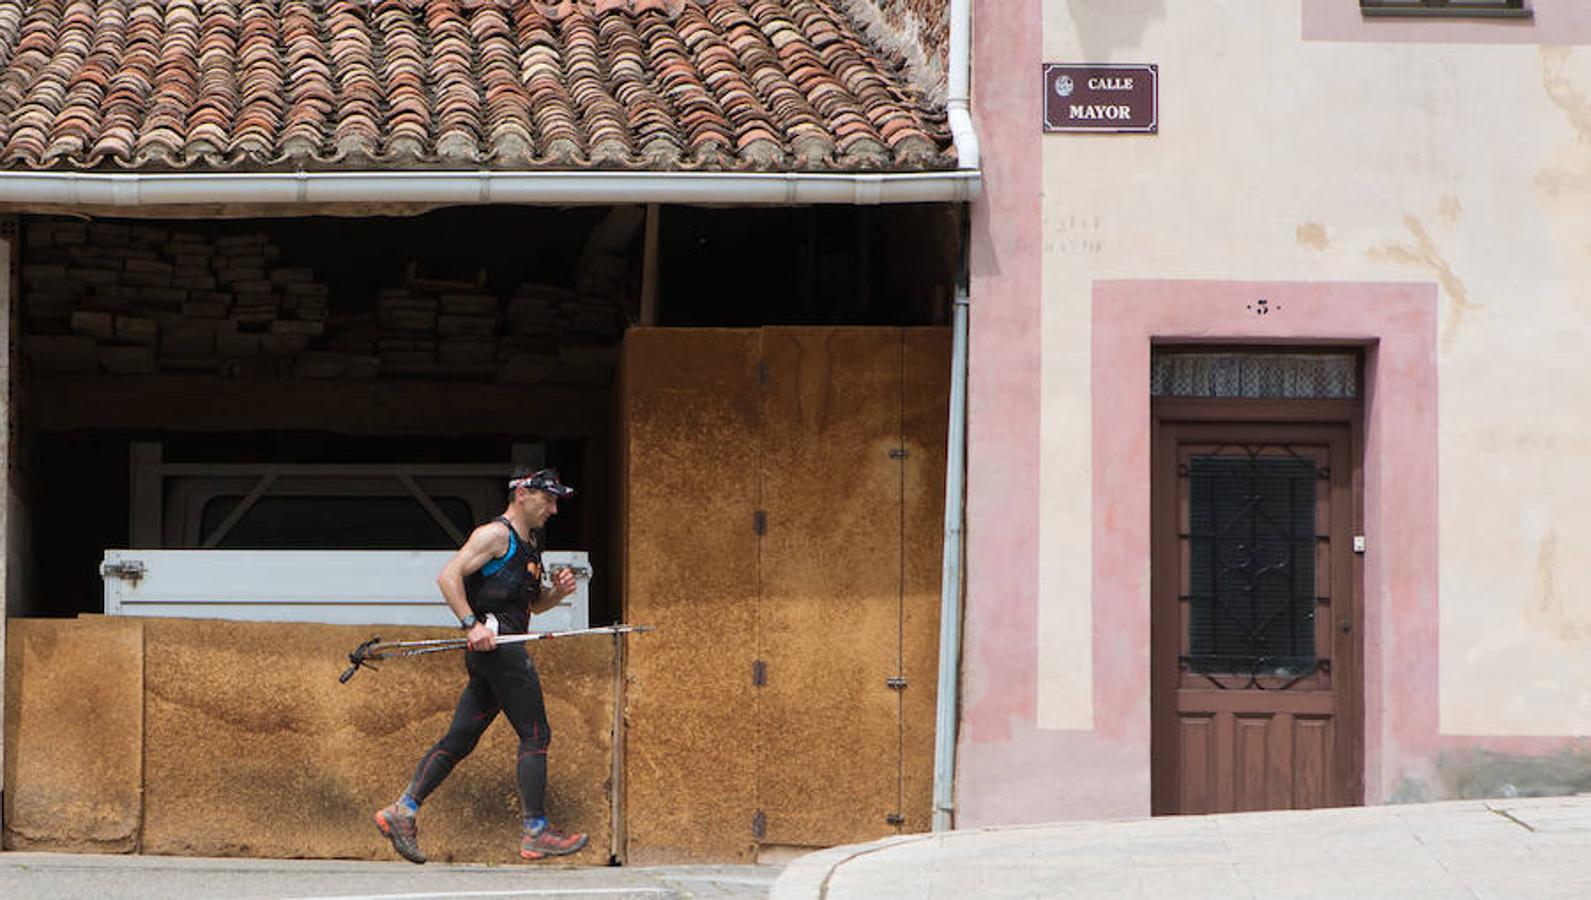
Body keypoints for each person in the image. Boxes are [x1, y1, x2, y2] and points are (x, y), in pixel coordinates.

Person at [374, 467, 589, 864]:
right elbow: (447, 576)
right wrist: (470, 624)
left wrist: (556, 593)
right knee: (536, 735)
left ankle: (401, 811)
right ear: (523, 493)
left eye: (557, 500)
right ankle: (536, 831)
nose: (555, 509)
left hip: (500, 649)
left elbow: (532, 606)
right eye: (550, 498)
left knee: (460, 740)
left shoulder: (530, 543)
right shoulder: (494, 536)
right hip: (497, 651)